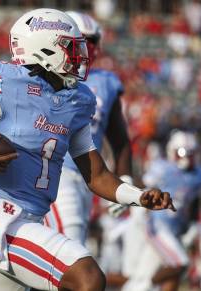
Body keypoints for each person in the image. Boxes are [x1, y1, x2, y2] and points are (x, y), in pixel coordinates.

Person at [0, 8, 174, 291]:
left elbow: (96, 174)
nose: (79, 57)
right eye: (69, 48)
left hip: (32, 220)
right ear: (44, 49)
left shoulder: (76, 101)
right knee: (87, 276)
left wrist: (139, 196)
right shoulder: (8, 85)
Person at [44, 11, 132, 244]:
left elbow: (119, 139)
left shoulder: (106, 82)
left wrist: (124, 179)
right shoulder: (41, 74)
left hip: (88, 178)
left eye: (89, 40)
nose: (83, 46)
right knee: (71, 253)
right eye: (77, 38)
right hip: (53, 171)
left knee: (67, 250)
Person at [118, 131, 201, 291]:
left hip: (174, 230)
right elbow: (142, 185)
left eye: (191, 152)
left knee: (148, 274)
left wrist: (193, 225)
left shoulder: (199, 174)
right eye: (183, 152)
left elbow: (194, 201)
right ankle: (144, 285)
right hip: (156, 226)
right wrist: (124, 192)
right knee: (180, 263)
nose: (187, 157)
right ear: (173, 151)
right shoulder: (163, 168)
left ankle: (139, 286)